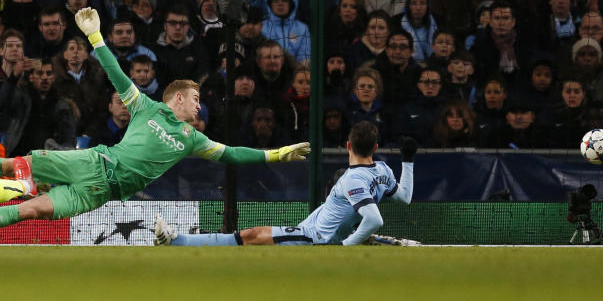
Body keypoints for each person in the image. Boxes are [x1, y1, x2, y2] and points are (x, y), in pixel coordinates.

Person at [0, 7, 309, 224]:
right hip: (91, 164)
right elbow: (117, 75)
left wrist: (274, 154)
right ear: (177, 98)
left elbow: (230, 154)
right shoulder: (146, 107)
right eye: (195, 99)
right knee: (9, 167)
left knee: (32, 210)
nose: (199, 106)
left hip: (103, 193)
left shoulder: (192, 138)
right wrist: (96, 37)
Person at [155, 121, 415, 246]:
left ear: (347, 145)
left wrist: (347, 246)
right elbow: (404, 197)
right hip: (310, 230)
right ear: (376, 147)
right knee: (254, 243)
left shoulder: (354, 179)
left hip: (314, 238)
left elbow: (374, 218)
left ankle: (177, 241)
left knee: (251, 235)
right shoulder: (382, 169)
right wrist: (408, 161)